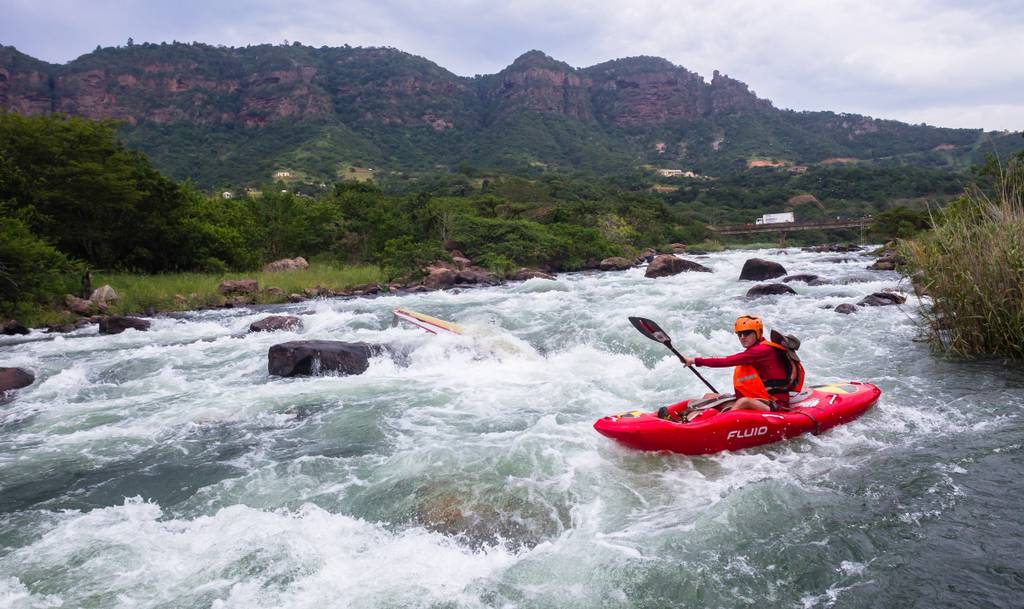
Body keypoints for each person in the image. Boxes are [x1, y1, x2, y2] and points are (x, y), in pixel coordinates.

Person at [675, 315, 804, 420]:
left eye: (746, 333)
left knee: (743, 402)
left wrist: (694, 360)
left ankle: (715, 424)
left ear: (758, 333)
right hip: (760, 398)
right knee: (709, 396)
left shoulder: (763, 350)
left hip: (775, 404)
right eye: (739, 334)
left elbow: (727, 361)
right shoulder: (759, 349)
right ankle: (686, 418)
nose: (742, 337)